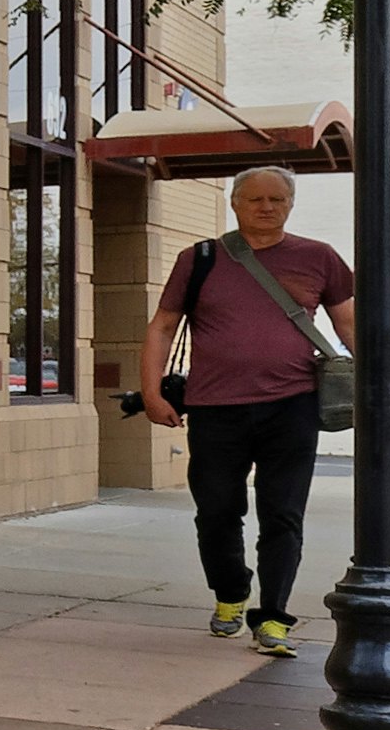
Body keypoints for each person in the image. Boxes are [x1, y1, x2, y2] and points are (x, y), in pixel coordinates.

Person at [147, 165, 355, 655]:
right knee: (217, 512)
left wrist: (379, 388)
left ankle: (274, 616)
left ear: (290, 204)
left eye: (277, 199)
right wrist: (153, 392)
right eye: (256, 199)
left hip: (293, 406)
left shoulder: (319, 258)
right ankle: (230, 593)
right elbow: (162, 327)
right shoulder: (198, 260)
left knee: (283, 514)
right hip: (216, 408)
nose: (266, 207)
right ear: (235, 204)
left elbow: (350, 327)